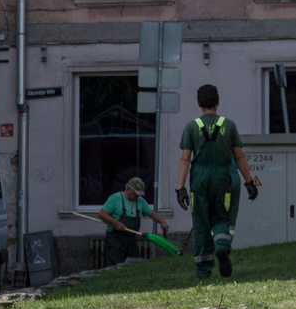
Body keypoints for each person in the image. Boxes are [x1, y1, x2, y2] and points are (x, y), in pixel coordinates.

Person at [174, 83, 256, 281]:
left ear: (198, 103)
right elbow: (239, 157)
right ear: (217, 103)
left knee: (201, 223)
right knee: (221, 218)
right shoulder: (229, 126)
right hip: (222, 178)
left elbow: (185, 158)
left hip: (199, 179)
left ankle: (203, 271)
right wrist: (249, 182)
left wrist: (180, 188)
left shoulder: (191, 127)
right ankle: (222, 247)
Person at [99, 175, 160, 267]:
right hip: (115, 239)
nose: (136, 196)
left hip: (131, 240)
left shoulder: (139, 200)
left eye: (138, 194)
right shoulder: (115, 198)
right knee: (116, 266)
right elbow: (102, 214)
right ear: (128, 188)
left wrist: (162, 222)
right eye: (135, 193)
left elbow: (151, 213)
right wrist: (116, 223)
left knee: (131, 266)